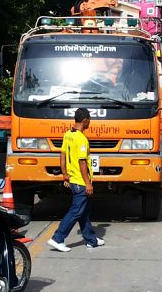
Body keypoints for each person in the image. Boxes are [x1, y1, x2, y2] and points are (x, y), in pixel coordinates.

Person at [48, 108, 105, 252]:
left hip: (73, 179)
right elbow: (82, 162)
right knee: (76, 211)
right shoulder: (81, 139)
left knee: (83, 211)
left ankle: (91, 239)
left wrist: (65, 174)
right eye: (89, 119)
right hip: (80, 182)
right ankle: (58, 238)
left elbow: (62, 155)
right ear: (85, 120)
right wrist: (88, 183)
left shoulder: (68, 134)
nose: (90, 122)